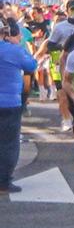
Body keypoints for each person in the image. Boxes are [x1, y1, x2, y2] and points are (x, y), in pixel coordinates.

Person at [0, 21, 37, 192]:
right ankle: (4, 181)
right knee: (9, 143)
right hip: (9, 103)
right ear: (5, 33)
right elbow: (31, 65)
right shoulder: (14, 50)